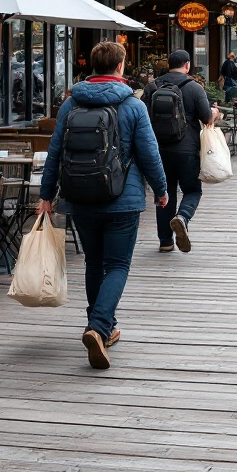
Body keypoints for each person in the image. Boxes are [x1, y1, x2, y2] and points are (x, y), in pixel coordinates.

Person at [39, 41, 169, 370]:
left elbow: (55, 152)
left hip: (80, 197)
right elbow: (149, 153)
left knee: (94, 263)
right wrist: (161, 189)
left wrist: (45, 194)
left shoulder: (71, 104)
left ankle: (103, 327)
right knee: (118, 266)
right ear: (121, 66)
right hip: (122, 199)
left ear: (93, 66)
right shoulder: (133, 105)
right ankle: (98, 327)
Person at [142, 50, 220, 253]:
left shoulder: (152, 87)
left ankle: (165, 241)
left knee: (163, 194)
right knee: (193, 190)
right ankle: (182, 217)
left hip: (158, 151)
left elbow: (142, 119)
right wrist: (215, 113)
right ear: (187, 65)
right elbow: (206, 117)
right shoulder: (194, 87)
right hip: (187, 150)